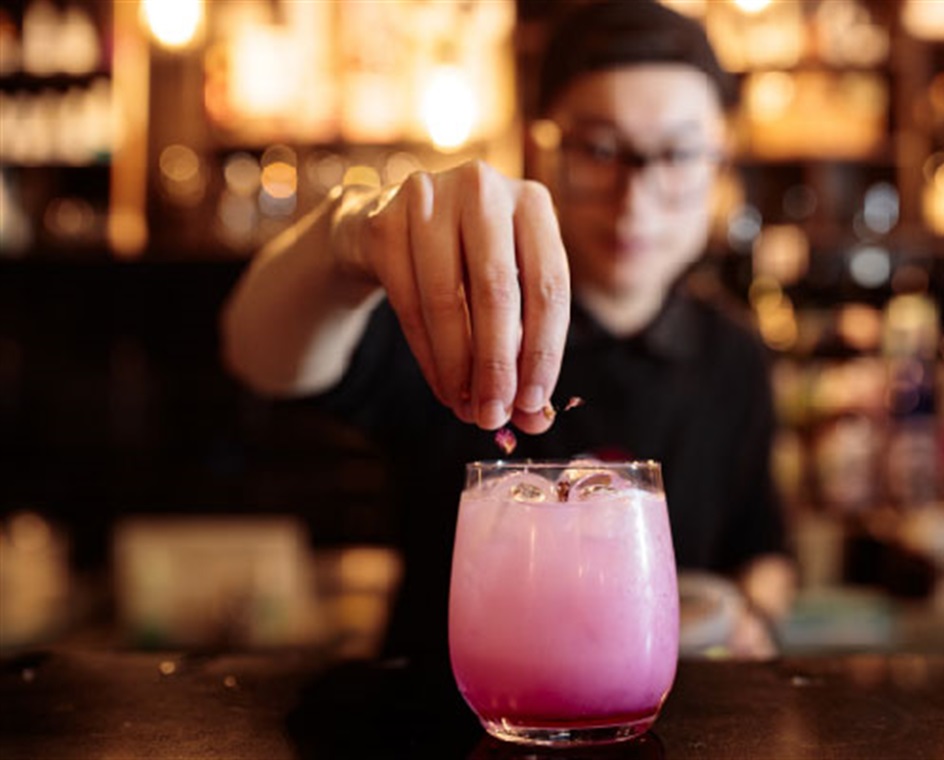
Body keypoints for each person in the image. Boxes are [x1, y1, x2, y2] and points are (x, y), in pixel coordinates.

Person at [221, 0, 796, 666]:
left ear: (719, 164)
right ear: (540, 149)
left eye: (677, 153)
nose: (635, 197)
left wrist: (748, 617)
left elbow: (764, 548)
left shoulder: (733, 353)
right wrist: (348, 237)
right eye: (599, 149)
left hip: (659, 712)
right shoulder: (457, 308)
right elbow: (259, 356)